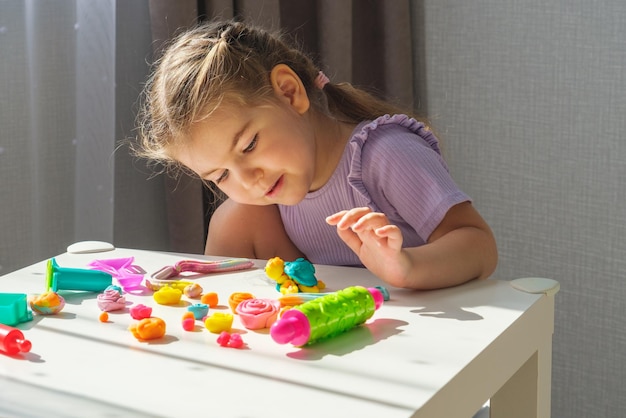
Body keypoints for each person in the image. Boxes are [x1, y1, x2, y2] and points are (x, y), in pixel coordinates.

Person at [134, 20, 497, 290]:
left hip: (436, 339)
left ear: (290, 93)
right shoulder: (269, 196)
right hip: (352, 338)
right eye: (220, 176)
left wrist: (404, 267)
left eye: (248, 146)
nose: (248, 180)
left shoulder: (386, 154)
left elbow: (479, 245)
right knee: (234, 217)